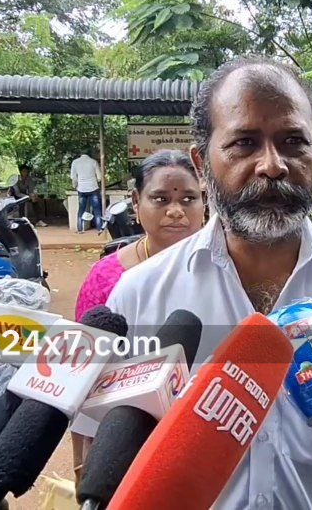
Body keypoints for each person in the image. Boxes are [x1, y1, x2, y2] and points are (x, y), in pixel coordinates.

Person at [106, 57, 312, 509]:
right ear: (201, 164)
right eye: (244, 143)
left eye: (293, 142)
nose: (272, 166)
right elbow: (103, 458)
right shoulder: (137, 297)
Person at [70, 149, 205, 481]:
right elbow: (80, 377)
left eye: (188, 199)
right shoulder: (106, 279)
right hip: (123, 444)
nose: (176, 211)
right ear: (135, 202)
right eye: (160, 199)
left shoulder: (227, 270)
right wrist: (82, 467)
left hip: (203, 438)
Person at [70, 151, 103, 233]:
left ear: (80, 154)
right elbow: (99, 177)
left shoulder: (75, 162)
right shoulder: (93, 162)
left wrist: (75, 186)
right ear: (90, 154)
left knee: (81, 209)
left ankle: (80, 229)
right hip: (93, 188)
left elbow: (73, 178)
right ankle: (99, 229)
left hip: (81, 189)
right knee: (97, 210)